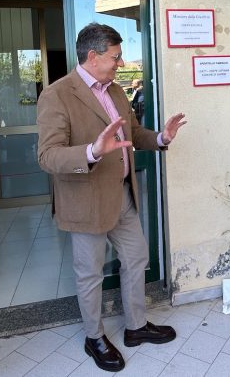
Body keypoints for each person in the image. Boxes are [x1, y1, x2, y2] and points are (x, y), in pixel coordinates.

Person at [36, 23, 186, 372]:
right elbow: (47, 156)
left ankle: (136, 327)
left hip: (123, 195)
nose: (120, 63)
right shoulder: (57, 94)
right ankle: (94, 336)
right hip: (86, 201)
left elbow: (132, 133)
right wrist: (91, 150)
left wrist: (161, 138)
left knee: (136, 259)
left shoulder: (116, 91)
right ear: (93, 56)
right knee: (90, 273)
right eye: (115, 57)